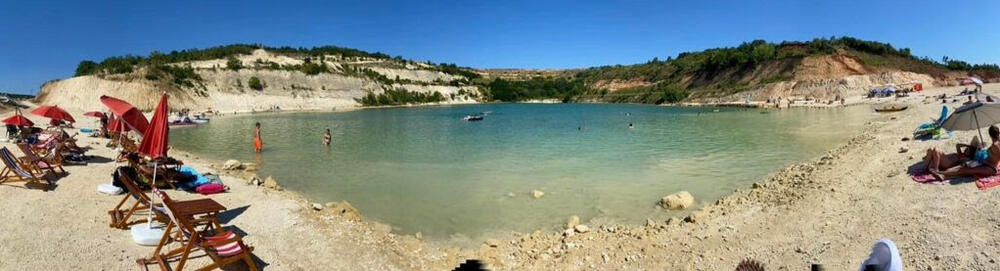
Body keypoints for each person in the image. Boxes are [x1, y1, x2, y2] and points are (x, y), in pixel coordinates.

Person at [931, 126, 1000, 181]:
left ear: (990, 135)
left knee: (965, 170)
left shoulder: (995, 145)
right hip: (987, 165)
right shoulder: (996, 144)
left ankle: (940, 173)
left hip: (990, 168)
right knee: (965, 171)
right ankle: (943, 176)